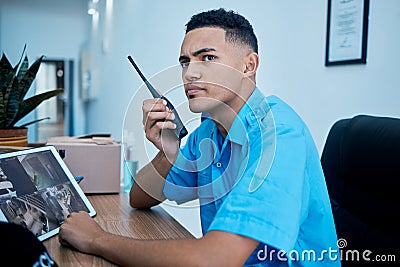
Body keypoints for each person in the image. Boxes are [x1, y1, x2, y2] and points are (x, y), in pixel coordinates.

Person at [59, 8, 341, 266]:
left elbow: (213, 260)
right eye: (185, 62)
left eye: (208, 58)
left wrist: (96, 239)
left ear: (248, 66)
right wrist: (167, 151)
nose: (190, 73)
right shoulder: (209, 131)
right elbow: (139, 198)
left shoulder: (279, 135)